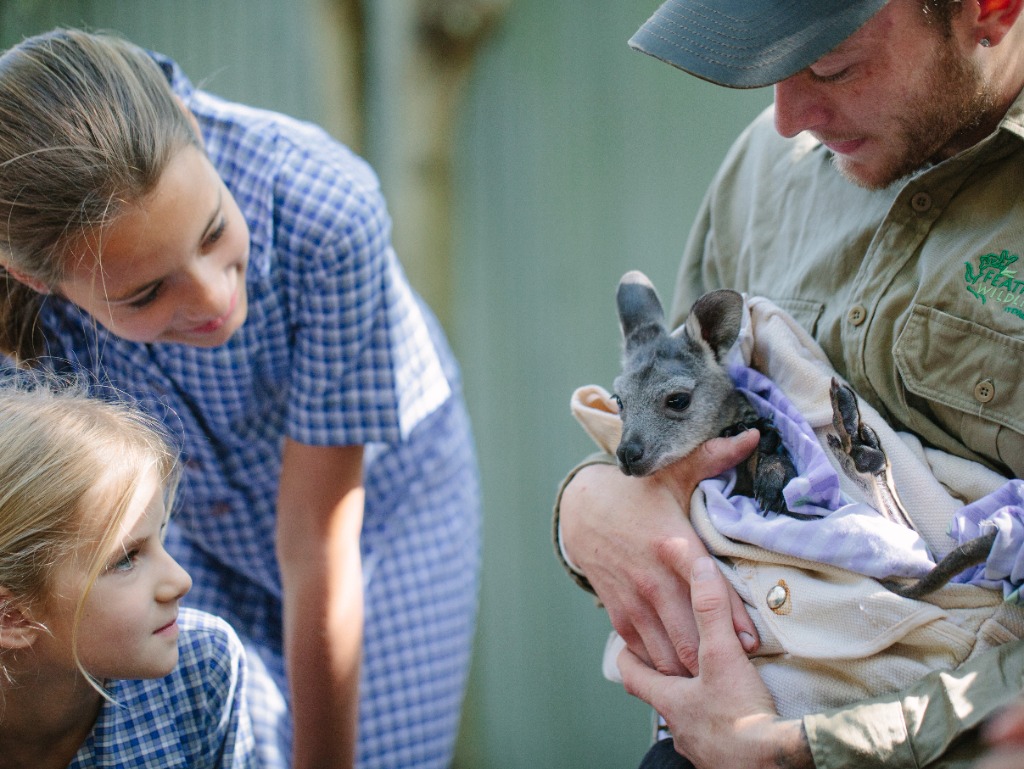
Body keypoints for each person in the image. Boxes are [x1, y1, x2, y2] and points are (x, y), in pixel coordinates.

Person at [554, 0, 1024, 766]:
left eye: (830, 65)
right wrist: (589, 505)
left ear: (990, 9)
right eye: (769, 62)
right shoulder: (765, 172)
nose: (786, 117)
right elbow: (673, 407)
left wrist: (801, 748)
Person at [0, 28, 481, 769]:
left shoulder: (326, 209)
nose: (217, 296)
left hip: (379, 519)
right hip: (174, 534)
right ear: (40, 281)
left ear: (191, 130)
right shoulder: (20, 306)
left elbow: (318, 544)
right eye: (146, 292)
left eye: (215, 230)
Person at [0, 377, 255, 768]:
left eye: (162, 536)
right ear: (11, 615)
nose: (180, 581)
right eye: (125, 559)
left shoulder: (202, 669)